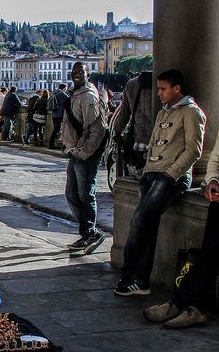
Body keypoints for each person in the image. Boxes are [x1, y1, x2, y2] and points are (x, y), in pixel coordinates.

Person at [144, 70, 219, 328]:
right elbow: (217, 157)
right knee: (209, 251)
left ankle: (182, 303)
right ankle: (188, 304)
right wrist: (211, 181)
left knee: (210, 252)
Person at [114, 69, 206, 296]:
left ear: (177, 89)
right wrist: (147, 172)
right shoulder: (163, 113)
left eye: (164, 89)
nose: (159, 93)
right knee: (147, 224)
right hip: (152, 175)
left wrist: (171, 173)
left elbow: (194, 149)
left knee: (139, 220)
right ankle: (140, 280)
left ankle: (130, 277)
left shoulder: (191, 112)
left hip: (170, 177)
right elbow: (155, 144)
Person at [61, 62, 108, 255]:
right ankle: (87, 233)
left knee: (85, 194)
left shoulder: (88, 96)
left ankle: (91, 233)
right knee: (72, 194)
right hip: (74, 152)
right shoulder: (76, 93)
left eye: (81, 72)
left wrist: (84, 151)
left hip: (85, 155)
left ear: (88, 74)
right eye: (74, 72)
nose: (77, 75)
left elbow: (98, 129)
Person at [109, 71, 154, 180]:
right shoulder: (164, 84)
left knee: (139, 178)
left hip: (139, 140)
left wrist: (117, 132)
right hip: (160, 142)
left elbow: (123, 115)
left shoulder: (132, 85)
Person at [47, 83, 69, 149]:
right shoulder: (62, 94)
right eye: (66, 88)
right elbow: (70, 100)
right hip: (60, 114)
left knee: (56, 129)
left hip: (54, 114)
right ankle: (52, 144)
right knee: (59, 129)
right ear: (64, 88)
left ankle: (52, 143)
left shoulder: (55, 93)